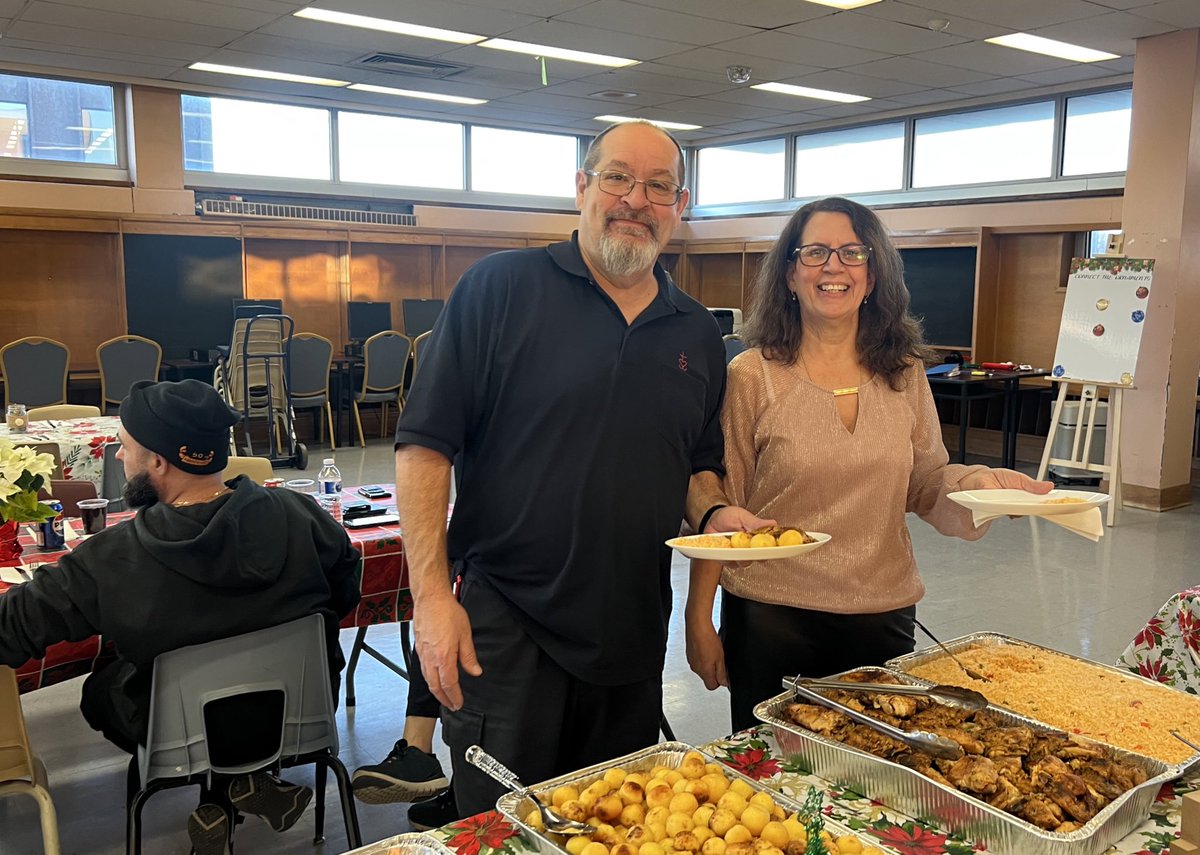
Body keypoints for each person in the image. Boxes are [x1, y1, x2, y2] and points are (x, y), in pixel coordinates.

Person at [391, 119, 766, 818]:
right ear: (582, 188)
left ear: (678, 207)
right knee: (504, 826)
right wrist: (432, 598)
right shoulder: (499, 289)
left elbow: (695, 465)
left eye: (659, 186)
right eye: (619, 176)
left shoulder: (696, 333)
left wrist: (715, 513)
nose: (636, 199)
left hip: (629, 632)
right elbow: (423, 448)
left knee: (612, 823)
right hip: (506, 627)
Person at [684, 197, 1053, 732]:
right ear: (789, 274)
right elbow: (721, 509)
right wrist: (700, 617)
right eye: (814, 253)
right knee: (778, 785)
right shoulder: (751, 376)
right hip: (771, 619)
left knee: (875, 785)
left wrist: (984, 487)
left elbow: (926, 481)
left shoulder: (903, 374)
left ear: (873, 274)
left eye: (852, 252)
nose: (834, 266)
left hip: (882, 614)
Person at [0, 379, 362, 855]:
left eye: (124, 447)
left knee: (104, 687)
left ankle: (228, 782)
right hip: (300, 715)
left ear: (157, 461)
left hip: (177, 737)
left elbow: (11, 629)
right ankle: (242, 782)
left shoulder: (111, 558)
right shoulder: (303, 515)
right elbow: (345, 589)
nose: (118, 456)